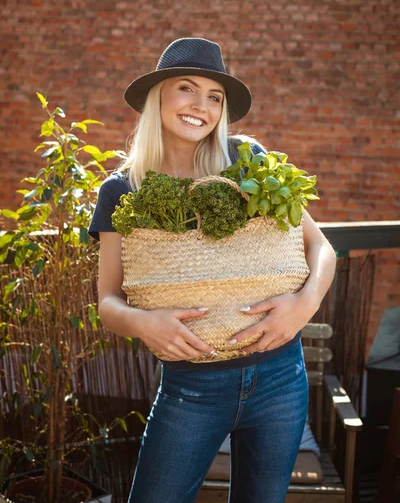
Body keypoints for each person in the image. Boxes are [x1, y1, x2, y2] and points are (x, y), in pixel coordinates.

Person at [88, 37, 337, 503]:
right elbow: (107, 301)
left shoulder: (247, 160)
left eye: (214, 97)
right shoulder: (122, 190)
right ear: (157, 95)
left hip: (281, 377)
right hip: (191, 386)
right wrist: (144, 323)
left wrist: (302, 306)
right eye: (187, 88)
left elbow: (321, 247)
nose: (201, 106)